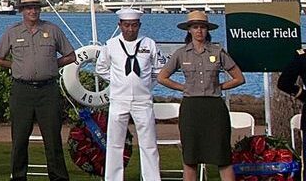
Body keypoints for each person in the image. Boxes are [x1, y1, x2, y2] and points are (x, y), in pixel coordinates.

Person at [0, 0, 74, 181]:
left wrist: (53, 65)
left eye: (36, 7)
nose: (33, 11)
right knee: (20, 139)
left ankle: (59, 178)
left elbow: (71, 56)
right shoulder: (12, 32)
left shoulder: (52, 30)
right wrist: (16, 66)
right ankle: (19, 177)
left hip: (48, 91)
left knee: (53, 139)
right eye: (29, 7)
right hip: (22, 91)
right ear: (22, 10)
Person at [158, 10, 245, 181]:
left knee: (223, 157)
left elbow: (239, 78)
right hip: (191, 108)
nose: (199, 31)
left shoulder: (218, 51)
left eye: (203, 27)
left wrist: (219, 86)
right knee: (190, 158)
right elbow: (162, 77)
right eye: (195, 27)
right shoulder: (181, 53)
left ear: (207, 30)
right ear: (189, 30)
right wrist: (182, 87)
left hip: (214, 107)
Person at [97, 9, 162, 181]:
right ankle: (113, 178)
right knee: (114, 144)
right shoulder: (110, 45)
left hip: (143, 100)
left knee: (149, 144)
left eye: (134, 25)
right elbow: (101, 68)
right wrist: (118, 82)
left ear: (139, 25)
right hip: (119, 100)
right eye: (126, 25)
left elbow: (158, 70)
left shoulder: (149, 44)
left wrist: (147, 85)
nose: (130, 29)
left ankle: (152, 178)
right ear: (120, 25)